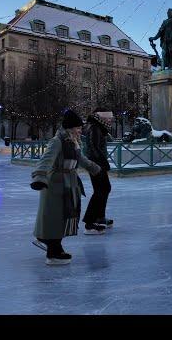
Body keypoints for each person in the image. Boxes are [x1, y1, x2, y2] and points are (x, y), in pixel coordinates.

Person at [30, 110, 102, 265]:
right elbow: (46, 159)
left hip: (69, 184)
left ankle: (53, 245)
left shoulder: (73, 142)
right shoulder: (58, 141)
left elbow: (80, 158)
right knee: (55, 217)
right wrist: (39, 177)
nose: (80, 131)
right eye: (78, 128)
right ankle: (53, 251)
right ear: (70, 128)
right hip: (55, 185)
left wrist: (94, 168)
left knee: (65, 215)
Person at [83, 108, 114, 232]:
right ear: (101, 117)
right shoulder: (95, 127)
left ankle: (99, 217)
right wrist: (102, 163)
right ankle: (90, 222)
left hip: (98, 163)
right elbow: (93, 146)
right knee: (100, 190)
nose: (110, 120)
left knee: (104, 188)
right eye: (108, 118)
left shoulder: (99, 127)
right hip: (96, 164)